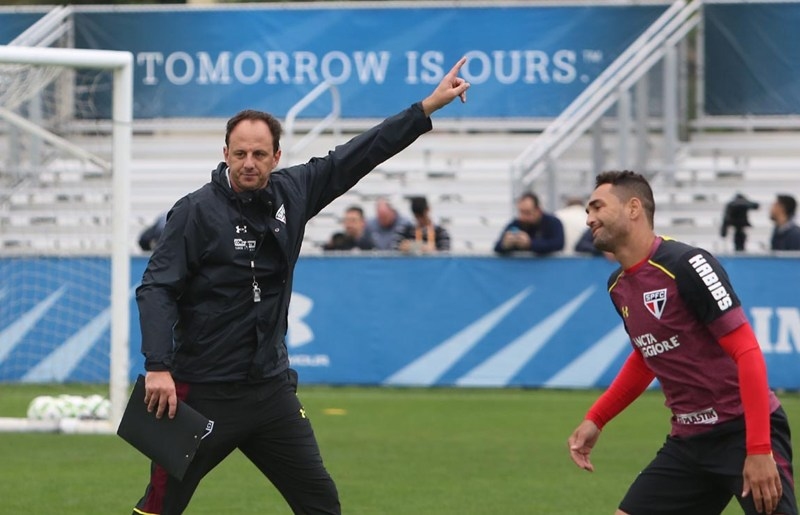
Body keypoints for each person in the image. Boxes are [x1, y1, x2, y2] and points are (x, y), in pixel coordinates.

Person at [132, 57, 470, 515]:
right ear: (225, 152)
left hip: (269, 393)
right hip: (201, 391)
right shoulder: (194, 211)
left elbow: (361, 152)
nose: (248, 163)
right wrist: (157, 366)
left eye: (259, 155)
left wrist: (426, 108)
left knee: (321, 504)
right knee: (159, 506)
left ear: (276, 156)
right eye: (239, 154)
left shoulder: (295, 191)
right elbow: (156, 288)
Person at [567, 171, 796, 515]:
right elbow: (647, 356)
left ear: (633, 208)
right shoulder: (618, 286)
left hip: (744, 432)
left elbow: (747, 352)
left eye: (598, 207)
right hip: (689, 442)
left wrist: (759, 449)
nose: (589, 219)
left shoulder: (688, 264)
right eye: (588, 210)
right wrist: (596, 418)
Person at [493, 192, 564, 255]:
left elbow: (558, 244)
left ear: (538, 210)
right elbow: (496, 247)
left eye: (527, 213)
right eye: (521, 212)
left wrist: (530, 244)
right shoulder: (516, 224)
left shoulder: (552, 222)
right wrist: (505, 244)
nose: (523, 217)